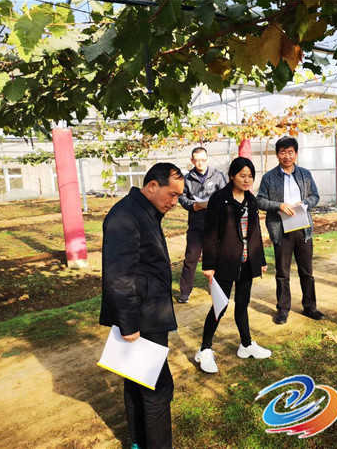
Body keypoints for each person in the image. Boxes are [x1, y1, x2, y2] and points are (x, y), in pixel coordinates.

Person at [100, 163, 184, 449]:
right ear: (152, 186)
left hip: (148, 311)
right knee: (157, 388)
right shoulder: (125, 216)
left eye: (178, 196)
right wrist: (129, 323)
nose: (175, 202)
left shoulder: (144, 211)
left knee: (137, 380)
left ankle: (138, 442)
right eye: (172, 194)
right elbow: (118, 276)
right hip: (141, 317)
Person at [195, 157, 271, 374]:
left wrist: (260, 260)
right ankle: (205, 349)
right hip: (225, 261)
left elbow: (255, 232)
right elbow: (210, 234)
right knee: (220, 306)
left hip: (247, 261)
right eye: (242, 175)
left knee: (242, 303)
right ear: (232, 176)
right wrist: (209, 264)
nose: (247, 180)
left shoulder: (251, 200)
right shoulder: (220, 199)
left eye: (250, 176)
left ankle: (246, 345)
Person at [256, 136, 325, 325]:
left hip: (303, 229)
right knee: (282, 273)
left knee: (307, 271)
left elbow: (315, 196)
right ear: (277, 154)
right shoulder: (269, 177)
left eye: (290, 152)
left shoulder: (305, 174)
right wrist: (279, 205)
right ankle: (283, 309)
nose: (286, 156)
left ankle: (310, 307)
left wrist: (304, 203)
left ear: (296, 154)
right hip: (281, 230)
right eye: (283, 152)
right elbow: (260, 200)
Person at [178, 147, 227, 303]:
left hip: (215, 225)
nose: (200, 163)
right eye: (197, 160)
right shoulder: (187, 179)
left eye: (203, 160)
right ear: (192, 161)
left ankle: (216, 288)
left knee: (215, 258)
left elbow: (226, 196)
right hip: (196, 225)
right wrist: (194, 206)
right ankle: (185, 292)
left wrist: (215, 205)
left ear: (207, 159)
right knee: (191, 258)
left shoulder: (218, 176)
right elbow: (182, 198)